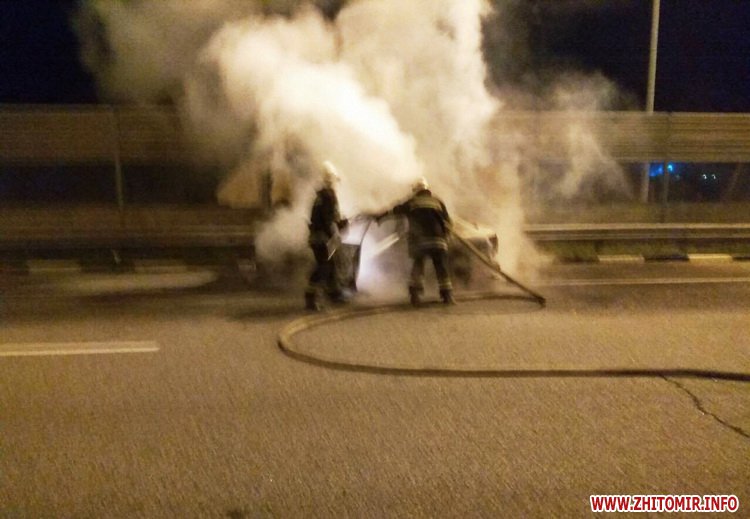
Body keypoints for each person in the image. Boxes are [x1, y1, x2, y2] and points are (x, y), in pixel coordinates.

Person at [377, 177, 455, 306]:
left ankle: (415, 295)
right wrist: (446, 236)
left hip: (420, 241)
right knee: (441, 268)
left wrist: (380, 217)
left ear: (415, 190)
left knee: (418, 266)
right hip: (438, 240)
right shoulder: (438, 202)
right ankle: (447, 295)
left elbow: (395, 211)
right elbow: (448, 223)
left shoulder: (412, 202)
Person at [305, 161, 348, 311]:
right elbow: (328, 219)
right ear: (330, 179)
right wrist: (336, 232)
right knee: (324, 266)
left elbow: (323, 217)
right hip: (322, 238)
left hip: (316, 237)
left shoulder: (320, 196)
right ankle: (312, 297)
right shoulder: (329, 195)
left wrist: (340, 223)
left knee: (329, 265)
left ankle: (334, 294)